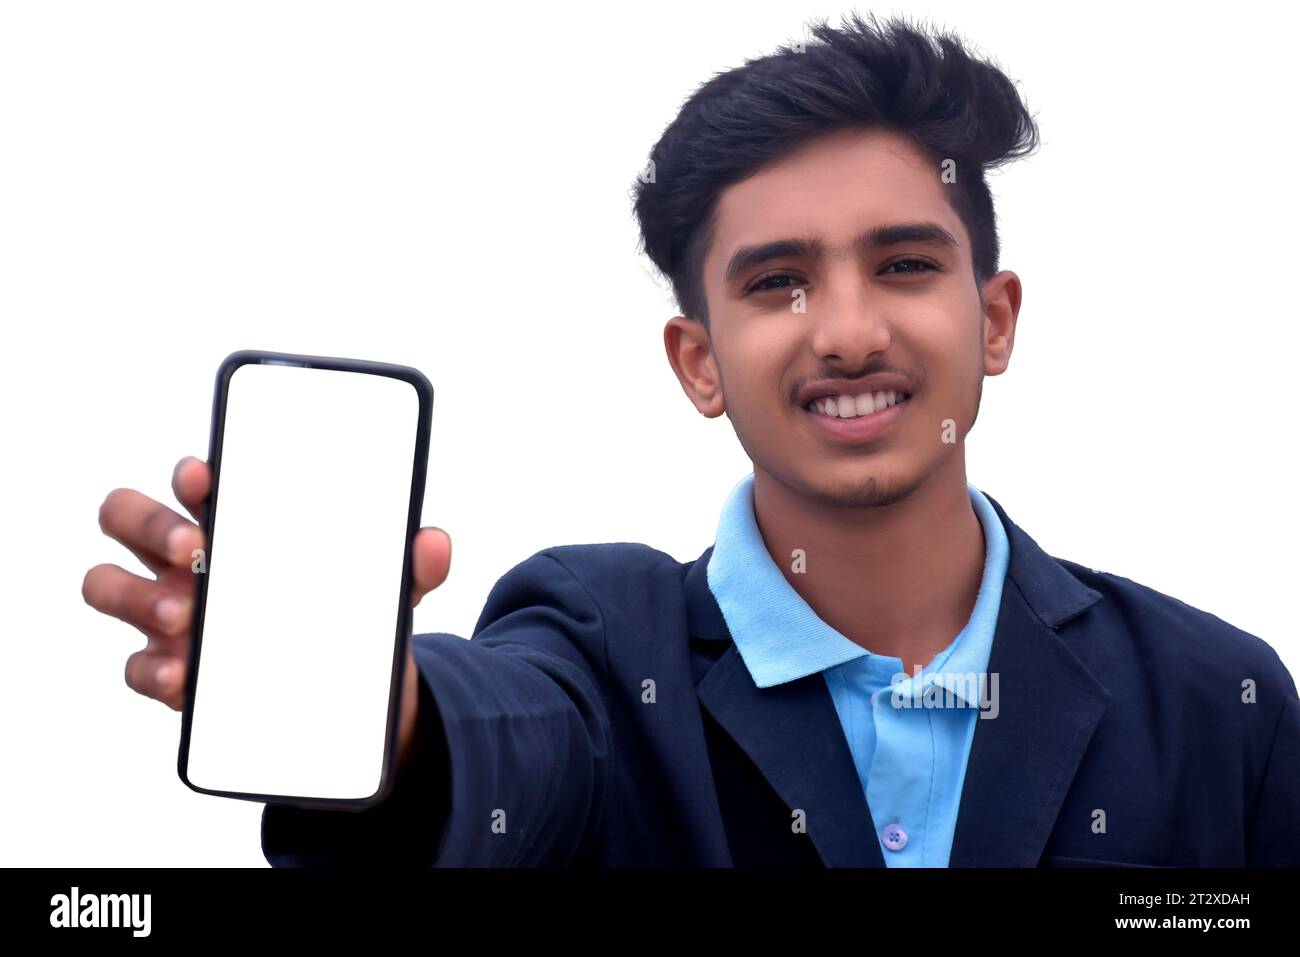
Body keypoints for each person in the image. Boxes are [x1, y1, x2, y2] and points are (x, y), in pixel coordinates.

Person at [84, 12, 1299, 867]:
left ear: (992, 319)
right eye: (777, 282)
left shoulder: (1215, 702)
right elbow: (508, 742)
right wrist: (386, 721)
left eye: (904, 263)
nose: (847, 330)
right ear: (698, 361)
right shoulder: (604, 650)